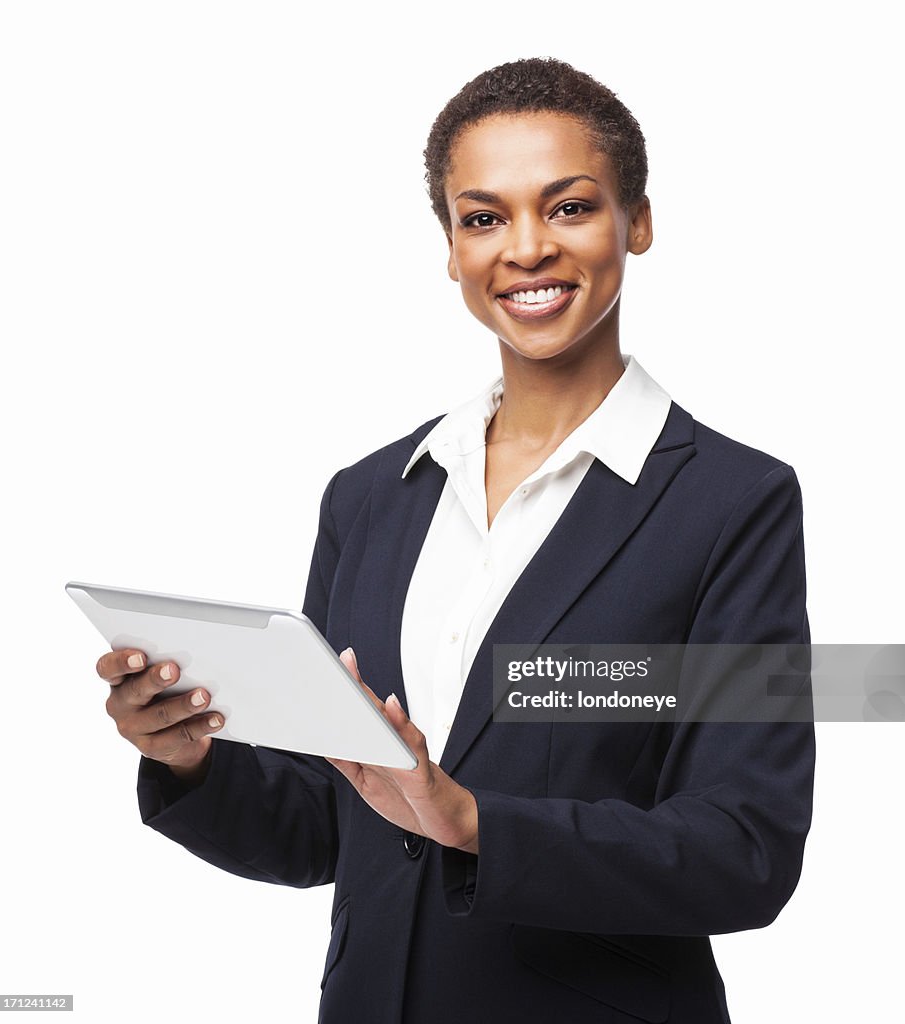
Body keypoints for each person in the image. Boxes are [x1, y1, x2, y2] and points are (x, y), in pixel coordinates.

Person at [96, 58, 814, 1023]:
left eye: (567, 207)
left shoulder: (734, 502)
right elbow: (326, 824)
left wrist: (473, 823)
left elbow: (744, 850)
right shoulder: (370, 498)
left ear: (635, 222)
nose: (525, 248)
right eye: (483, 218)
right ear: (449, 248)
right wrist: (187, 756)